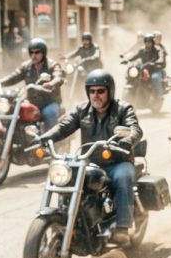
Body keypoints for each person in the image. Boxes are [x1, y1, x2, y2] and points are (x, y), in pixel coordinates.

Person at [39, 68, 142, 245]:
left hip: (118, 161)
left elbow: (135, 129)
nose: (96, 95)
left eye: (100, 91)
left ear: (109, 91)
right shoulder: (82, 110)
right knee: (67, 178)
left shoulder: (123, 109)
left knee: (123, 177)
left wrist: (128, 140)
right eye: (92, 91)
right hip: (90, 161)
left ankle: (122, 227)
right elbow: (64, 126)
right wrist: (46, 137)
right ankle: (70, 218)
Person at [0, 37, 64, 128]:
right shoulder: (26, 66)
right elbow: (13, 77)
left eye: (37, 52)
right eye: (32, 52)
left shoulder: (52, 65)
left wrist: (51, 84)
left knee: (49, 113)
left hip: (49, 102)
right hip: (32, 102)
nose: (34, 55)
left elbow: (59, 77)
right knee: (14, 111)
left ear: (43, 53)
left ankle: (52, 139)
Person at [124, 33, 162, 99]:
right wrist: (127, 60)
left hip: (154, 70)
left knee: (155, 78)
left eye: (149, 42)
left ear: (152, 42)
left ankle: (157, 97)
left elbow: (161, 58)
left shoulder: (158, 50)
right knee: (133, 74)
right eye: (146, 42)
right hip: (144, 68)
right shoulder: (142, 50)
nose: (148, 44)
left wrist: (155, 63)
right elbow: (135, 56)